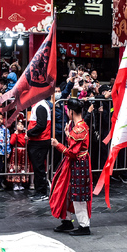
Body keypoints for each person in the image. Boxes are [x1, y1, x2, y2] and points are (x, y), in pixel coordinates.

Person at [49, 90, 93, 236]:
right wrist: (68, 135)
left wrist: (58, 145)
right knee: (66, 191)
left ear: (71, 112)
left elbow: (72, 152)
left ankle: (84, 225)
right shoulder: (79, 127)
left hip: (78, 164)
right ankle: (67, 221)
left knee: (78, 195)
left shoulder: (78, 129)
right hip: (74, 164)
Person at [27, 96, 52, 202]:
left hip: (40, 141)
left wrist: (29, 133)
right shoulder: (40, 105)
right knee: (38, 168)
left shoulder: (40, 106)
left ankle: (42, 193)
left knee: (39, 168)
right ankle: (39, 191)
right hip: (38, 140)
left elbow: (41, 125)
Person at [8, 117, 30, 191]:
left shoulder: (24, 134)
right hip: (16, 152)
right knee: (15, 167)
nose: (21, 126)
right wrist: (15, 134)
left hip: (23, 152)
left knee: (22, 167)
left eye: (22, 125)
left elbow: (27, 143)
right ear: (15, 127)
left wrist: (27, 136)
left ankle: (20, 183)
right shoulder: (14, 134)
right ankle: (15, 183)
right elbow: (12, 142)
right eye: (19, 125)